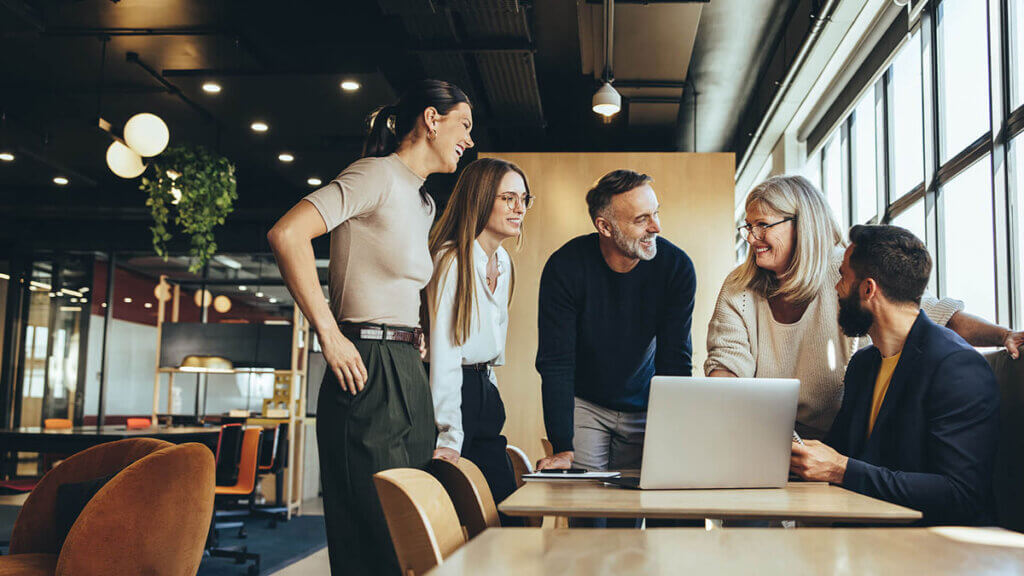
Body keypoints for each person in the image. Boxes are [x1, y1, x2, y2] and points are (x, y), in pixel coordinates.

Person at [267, 79, 474, 576]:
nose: (468, 139)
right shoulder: (374, 175)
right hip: (364, 364)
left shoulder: (424, 202)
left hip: (406, 366)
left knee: (412, 528)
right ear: (431, 118)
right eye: (464, 125)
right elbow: (287, 234)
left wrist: (412, 330)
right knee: (373, 534)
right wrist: (329, 334)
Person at [706, 175, 1022, 439]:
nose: (751, 237)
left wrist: (1003, 335)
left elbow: (926, 315)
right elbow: (727, 366)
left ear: (802, 225)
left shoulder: (843, 271)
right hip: (761, 433)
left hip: (839, 441)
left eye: (762, 225)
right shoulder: (740, 287)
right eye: (748, 226)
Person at [790, 225, 999, 526]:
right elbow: (839, 454)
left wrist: (841, 469)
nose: (836, 288)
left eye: (843, 277)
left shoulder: (957, 367)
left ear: (868, 289)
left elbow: (961, 493)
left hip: (940, 554)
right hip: (868, 544)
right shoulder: (864, 366)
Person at [535, 170, 697, 480]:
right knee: (586, 510)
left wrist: (676, 434)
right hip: (586, 403)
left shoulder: (676, 268)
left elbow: (675, 358)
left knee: (633, 510)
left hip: (648, 403)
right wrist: (562, 445)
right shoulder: (566, 266)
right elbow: (556, 361)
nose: (656, 227)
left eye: (656, 213)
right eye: (641, 219)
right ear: (605, 226)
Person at [426, 157, 532, 522]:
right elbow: (444, 353)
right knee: (456, 519)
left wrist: (492, 392)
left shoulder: (502, 261)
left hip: (484, 391)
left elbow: (493, 348)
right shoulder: (451, 259)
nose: (519, 208)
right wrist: (450, 436)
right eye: (508, 198)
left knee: (504, 513)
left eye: (523, 198)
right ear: (480, 198)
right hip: (453, 395)